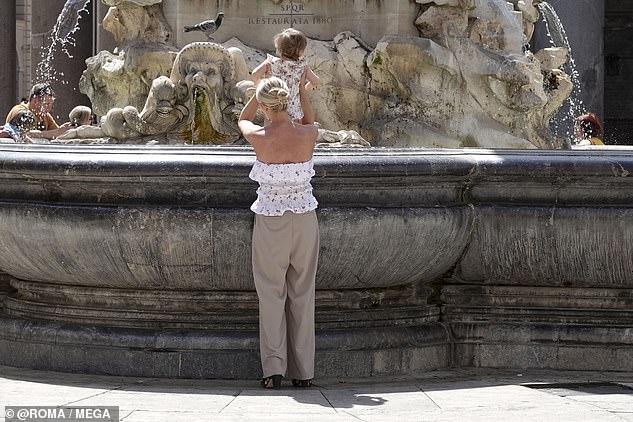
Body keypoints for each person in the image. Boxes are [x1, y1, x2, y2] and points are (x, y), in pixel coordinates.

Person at [238, 76, 320, 389]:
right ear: (287, 100)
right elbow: (310, 120)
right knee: (302, 293)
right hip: (305, 219)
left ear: (264, 105)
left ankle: (273, 370)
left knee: (271, 294)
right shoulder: (308, 133)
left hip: (271, 221)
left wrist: (255, 94)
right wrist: (301, 91)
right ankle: (304, 372)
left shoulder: (258, 135)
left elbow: (242, 119)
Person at [250, 28, 319, 123]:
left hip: (272, 105)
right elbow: (315, 81)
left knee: (270, 130)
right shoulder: (302, 66)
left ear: (278, 48)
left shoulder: (271, 63)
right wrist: (304, 89)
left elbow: (254, 75)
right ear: (301, 51)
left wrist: (262, 87)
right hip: (294, 110)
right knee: (294, 133)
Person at [5, 82, 72, 139]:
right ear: (35, 101)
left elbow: (55, 134)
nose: (50, 108)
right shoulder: (20, 111)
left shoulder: (45, 115)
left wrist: (63, 130)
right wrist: (57, 132)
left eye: (51, 104)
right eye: (47, 104)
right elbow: (26, 134)